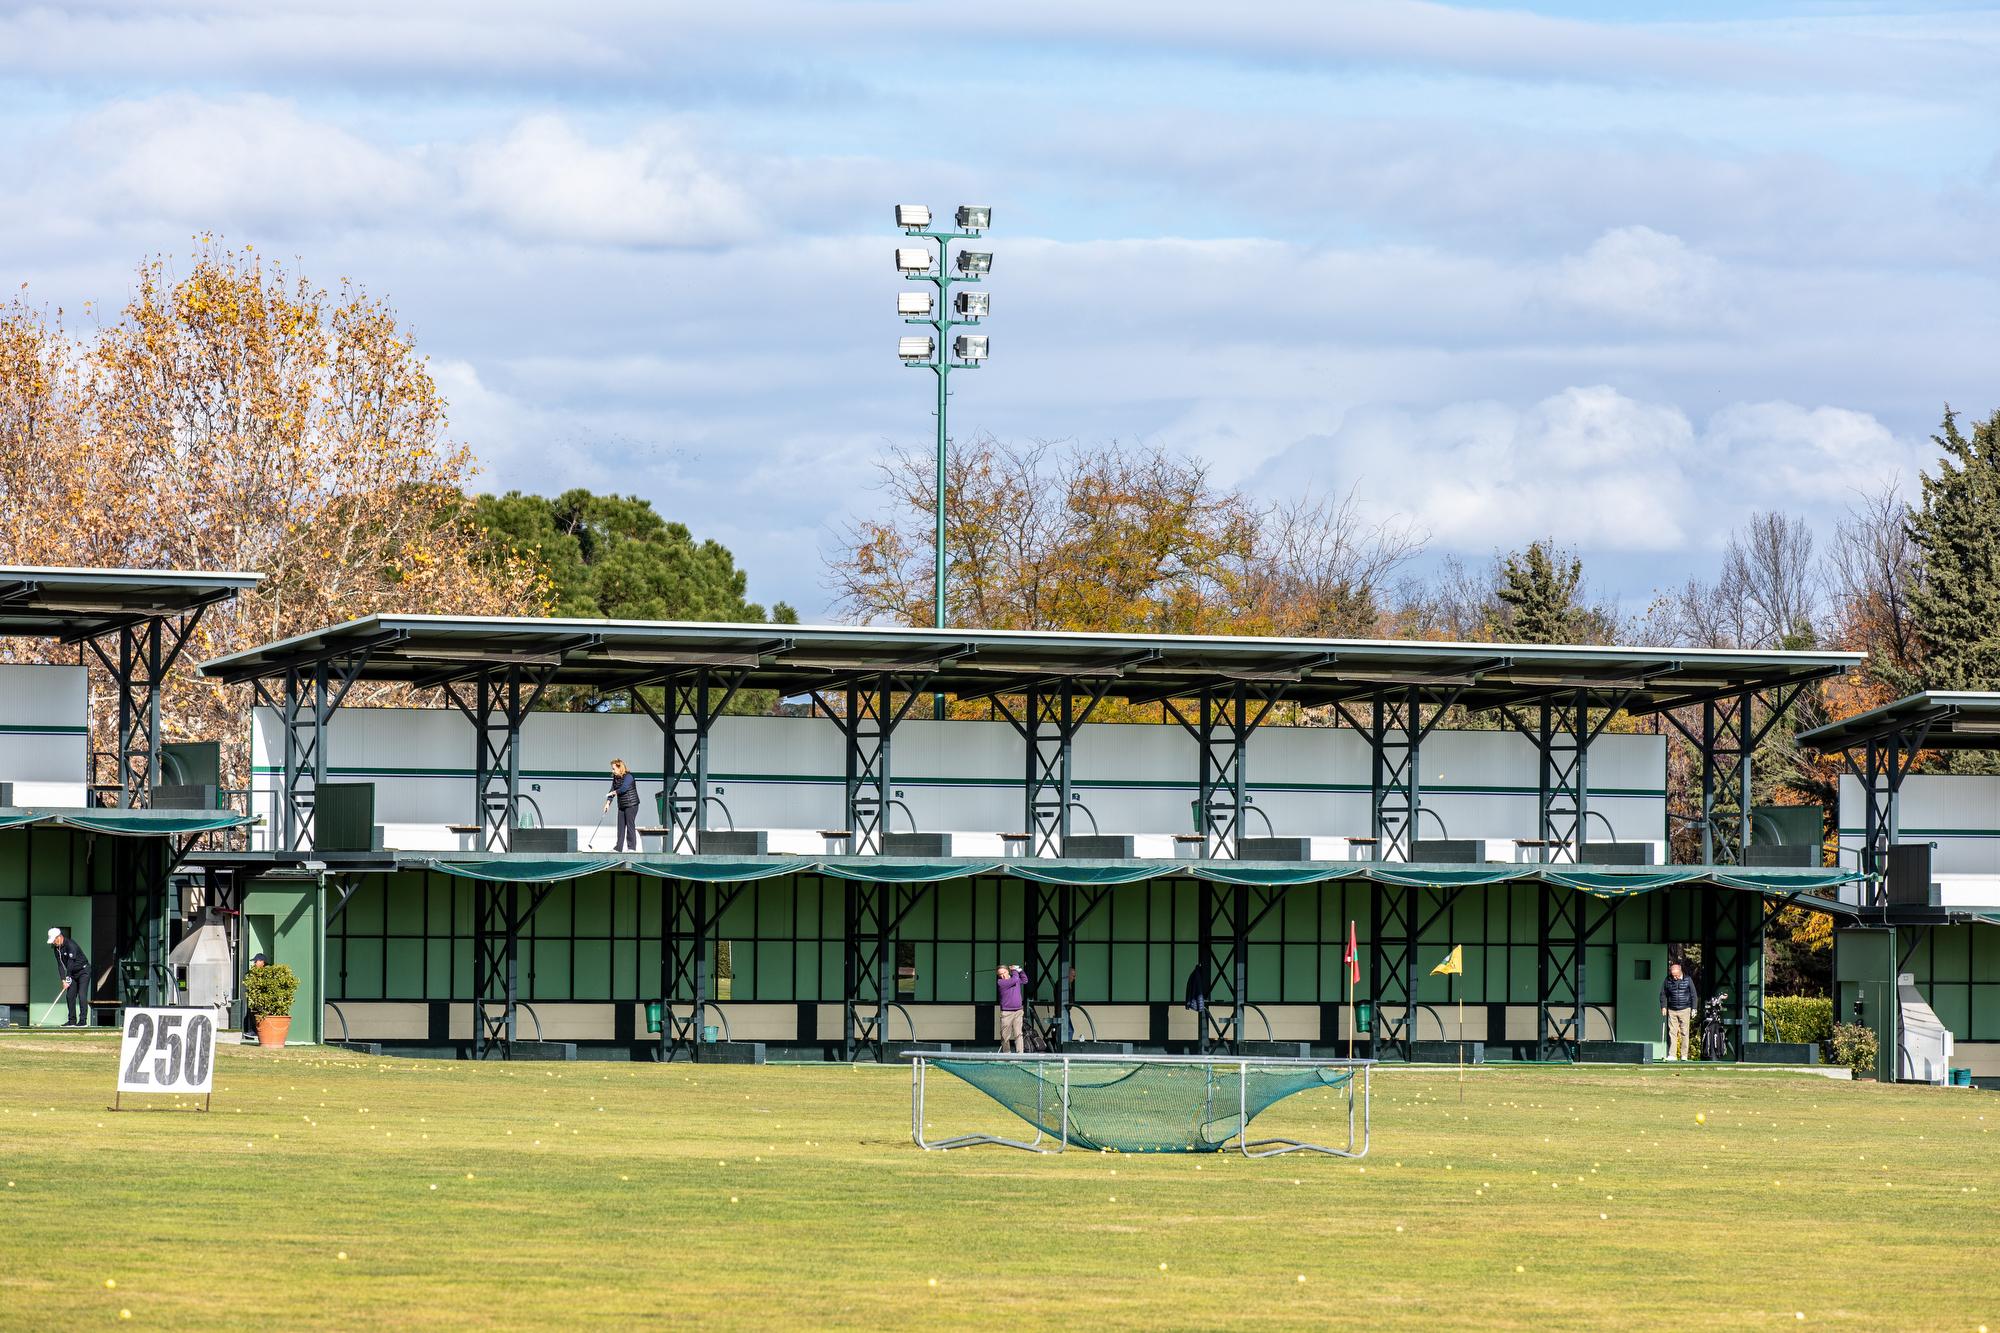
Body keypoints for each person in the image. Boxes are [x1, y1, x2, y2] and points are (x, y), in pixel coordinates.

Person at [47, 927, 90, 1028]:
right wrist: (63, 980)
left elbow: (71, 963)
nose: (53, 942)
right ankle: (72, 1021)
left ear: (59, 937)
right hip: (72, 974)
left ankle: (83, 1022)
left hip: (84, 971)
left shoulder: (71, 945)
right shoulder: (56, 949)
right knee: (70, 996)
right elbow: (60, 965)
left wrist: (67, 977)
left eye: (54, 940)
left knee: (82, 995)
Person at [1660, 958, 1698, 1061]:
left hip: (1685, 1009)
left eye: (1676, 975)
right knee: (1672, 1032)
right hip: (1672, 1010)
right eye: (1673, 975)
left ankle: (1684, 1055)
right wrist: (1663, 1006)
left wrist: (1694, 1008)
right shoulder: (1667, 980)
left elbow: (1694, 995)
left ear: (1680, 971)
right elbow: (1663, 994)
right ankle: (1672, 1055)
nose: (1675, 977)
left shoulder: (1688, 979)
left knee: (1684, 1033)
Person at [602, 758, 641, 853]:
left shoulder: (629, 776)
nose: (612, 770)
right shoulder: (616, 778)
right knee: (620, 827)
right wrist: (608, 803)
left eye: (613, 768)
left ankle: (631, 848)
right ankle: (618, 848)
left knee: (630, 825)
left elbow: (624, 788)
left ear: (620, 768)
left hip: (632, 804)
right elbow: (612, 789)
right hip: (622, 805)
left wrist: (613, 793)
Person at [995, 963, 1029, 1053]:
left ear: (1008, 971)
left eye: (1004, 973)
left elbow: (1025, 980)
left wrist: (1020, 970)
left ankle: (1020, 1055)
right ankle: (1006, 1055)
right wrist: (1014, 970)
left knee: (1018, 1034)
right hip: (1006, 1013)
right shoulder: (1001, 982)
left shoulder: (1015, 979)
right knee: (1005, 1036)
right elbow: (1015, 979)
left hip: (1018, 1011)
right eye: (1000, 975)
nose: (1002, 976)